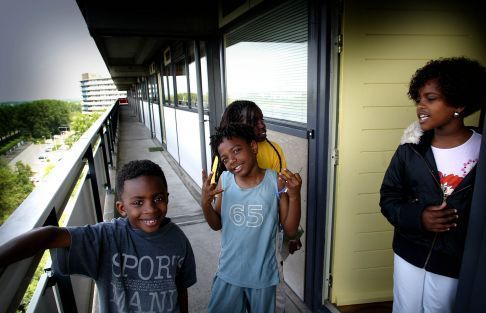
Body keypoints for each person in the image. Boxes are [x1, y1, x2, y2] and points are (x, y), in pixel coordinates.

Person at [0, 160, 197, 313]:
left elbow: (181, 289)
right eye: (138, 202)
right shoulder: (107, 237)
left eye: (158, 198)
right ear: (122, 208)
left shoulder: (177, 239)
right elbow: (50, 236)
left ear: (167, 197)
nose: (151, 209)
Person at [380, 57, 486, 313]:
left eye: (430, 98)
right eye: (418, 99)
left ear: (459, 104)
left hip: (455, 258)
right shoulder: (410, 149)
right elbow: (389, 198)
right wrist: (419, 217)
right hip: (409, 250)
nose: (420, 107)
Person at [210, 100, 302, 312]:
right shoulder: (225, 162)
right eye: (254, 121)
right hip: (238, 247)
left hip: (267, 248)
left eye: (262, 119)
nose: (262, 125)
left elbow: (284, 197)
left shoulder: (274, 150)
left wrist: (293, 236)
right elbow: (220, 208)